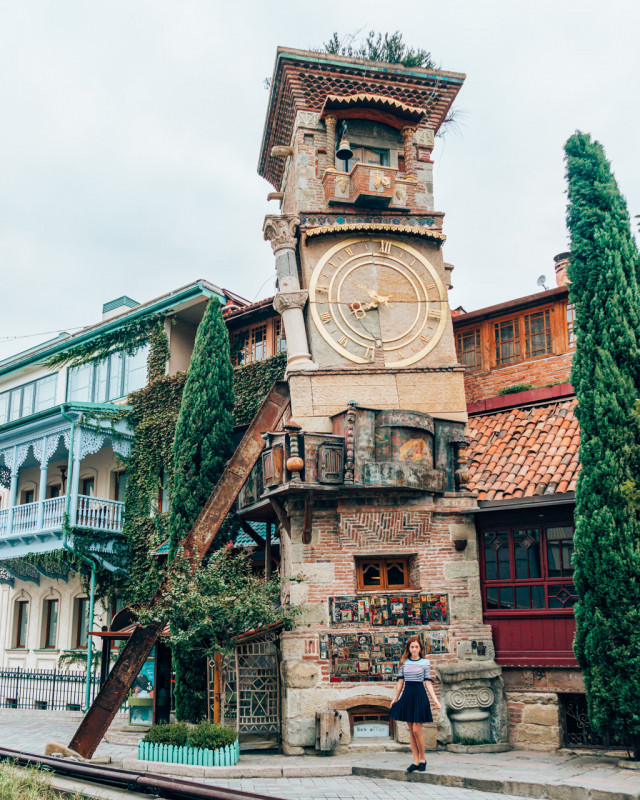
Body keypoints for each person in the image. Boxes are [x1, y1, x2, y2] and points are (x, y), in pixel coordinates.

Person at [389, 635, 441, 772]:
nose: (414, 649)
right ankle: (415, 761)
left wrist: (436, 700)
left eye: (416, 647)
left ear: (420, 649)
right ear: (408, 648)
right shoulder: (404, 663)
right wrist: (395, 699)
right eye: (412, 647)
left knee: (417, 730)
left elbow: (428, 683)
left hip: (419, 695)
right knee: (411, 731)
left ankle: (423, 759)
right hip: (407, 696)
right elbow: (400, 683)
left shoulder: (425, 663)